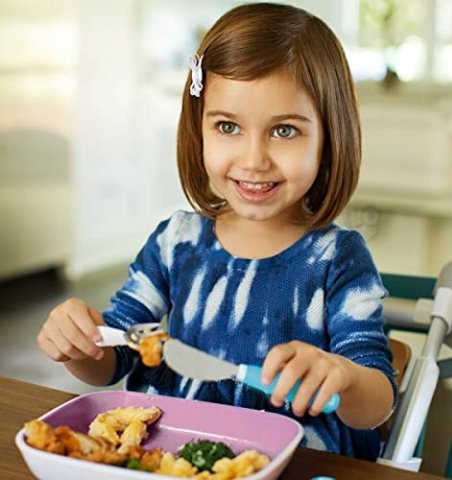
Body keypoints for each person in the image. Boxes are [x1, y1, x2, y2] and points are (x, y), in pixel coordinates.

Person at [38, 2, 397, 460]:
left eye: (285, 131)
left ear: (330, 138)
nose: (253, 159)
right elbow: (116, 357)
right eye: (228, 126)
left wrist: (343, 376)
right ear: (199, 129)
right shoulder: (176, 242)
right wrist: (78, 343)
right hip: (166, 459)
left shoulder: (338, 258)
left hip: (292, 463)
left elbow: (376, 403)